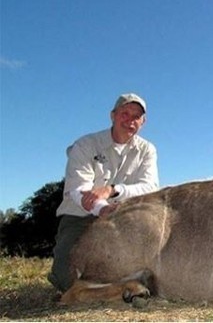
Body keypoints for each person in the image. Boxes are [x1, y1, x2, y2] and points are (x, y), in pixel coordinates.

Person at [48, 93, 159, 293]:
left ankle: (126, 285)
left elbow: (150, 186)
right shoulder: (86, 145)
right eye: (125, 113)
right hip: (81, 216)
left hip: (126, 218)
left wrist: (113, 190)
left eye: (136, 116)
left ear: (143, 122)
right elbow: (78, 190)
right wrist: (102, 208)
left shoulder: (147, 150)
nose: (130, 120)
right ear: (113, 116)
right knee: (67, 278)